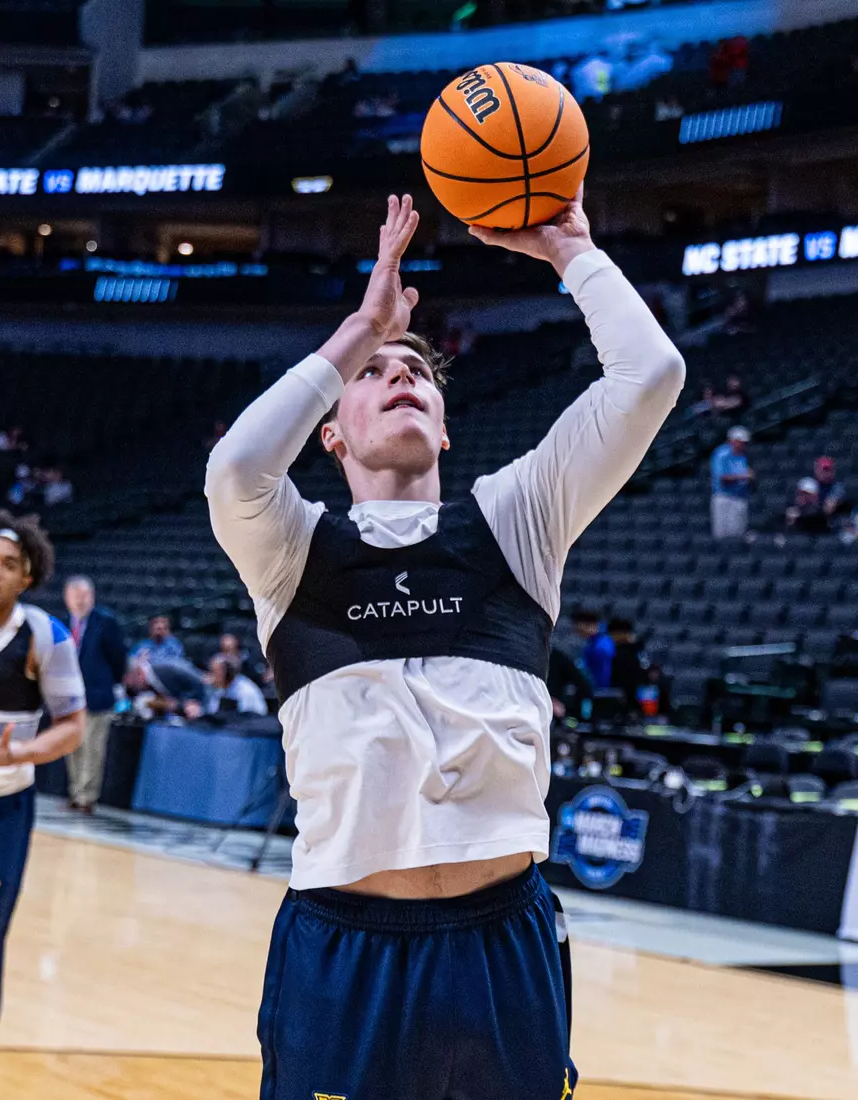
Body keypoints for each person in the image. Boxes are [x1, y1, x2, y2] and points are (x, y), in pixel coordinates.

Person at [206, 191, 684, 1100]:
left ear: (445, 425)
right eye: (375, 373)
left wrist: (573, 249)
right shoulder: (290, 546)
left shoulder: (517, 518)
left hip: (500, 940)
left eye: (418, 373)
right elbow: (234, 467)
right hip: (344, 943)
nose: (402, 377)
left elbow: (650, 375)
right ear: (331, 432)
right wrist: (362, 325)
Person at [0, 510, 86, 1098]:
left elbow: (72, 726)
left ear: (27, 578)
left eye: (9, 564)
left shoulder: (44, 637)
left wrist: (18, 754)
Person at [63, 576, 128, 814]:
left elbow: (118, 657)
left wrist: (111, 683)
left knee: (93, 749)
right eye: (76, 595)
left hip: (97, 696)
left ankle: (87, 798)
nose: (80, 600)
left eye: (85, 595)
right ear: (67, 598)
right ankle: (74, 792)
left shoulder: (106, 622)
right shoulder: (63, 622)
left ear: (92, 596)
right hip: (70, 699)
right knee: (73, 748)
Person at [122, 656, 206, 720]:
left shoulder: (168, 670)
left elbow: (199, 682)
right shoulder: (140, 687)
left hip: (203, 702)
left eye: (131, 682)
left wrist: (190, 701)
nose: (129, 685)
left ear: (139, 673)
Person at [710, 425, 753, 539]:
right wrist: (743, 476)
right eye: (741, 442)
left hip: (740, 497)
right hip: (724, 497)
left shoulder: (743, 456)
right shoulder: (721, 454)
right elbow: (722, 478)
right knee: (722, 533)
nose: (743, 445)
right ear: (733, 440)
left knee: (737, 533)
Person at [201, 654, 268, 717]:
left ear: (224, 673)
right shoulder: (220, 688)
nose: (210, 676)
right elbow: (213, 711)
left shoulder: (245, 691)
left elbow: (243, 718)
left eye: (213, 672)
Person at [572, 608, 616, 690]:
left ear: (590, 625)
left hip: (602, 690)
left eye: (580, 631)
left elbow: (603, 673)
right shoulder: (592, 644)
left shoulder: (602, 645)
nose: (579, 634)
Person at [814, 456, 848, 520]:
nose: (826, 473)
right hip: (815, 522)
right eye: (823, 471)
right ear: (817, 471)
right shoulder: (812, 486)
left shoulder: (838, 487)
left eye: (828, 470)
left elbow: (828, 509)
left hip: (834, 523)